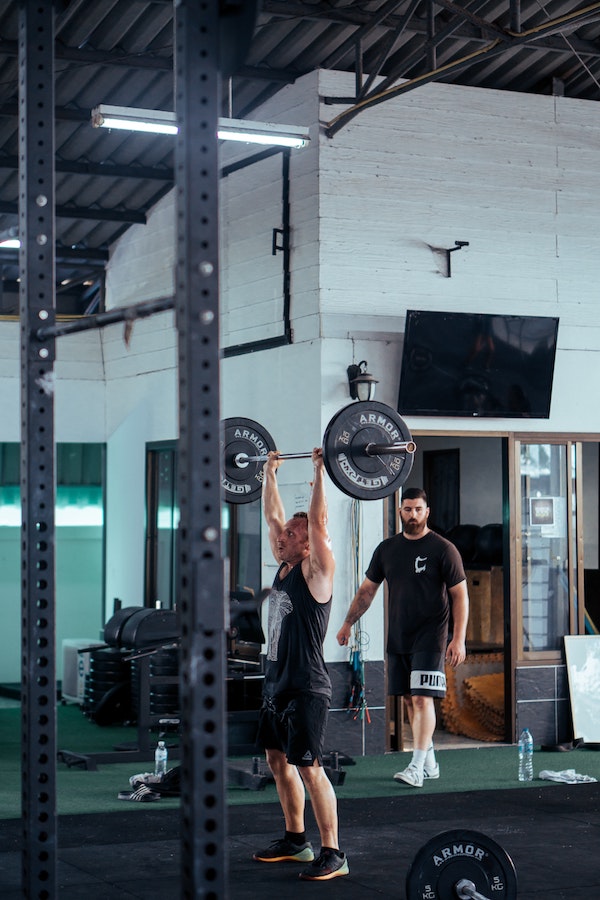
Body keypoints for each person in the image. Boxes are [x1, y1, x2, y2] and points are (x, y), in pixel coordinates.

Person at [253, 447, 349, 881]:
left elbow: (321, 525)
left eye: (292, 535)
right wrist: (268, 474)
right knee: (278, 761)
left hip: (307, 687)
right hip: (276, 685)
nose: (282, 537)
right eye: (284, 534)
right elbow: (272, 517)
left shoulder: (316, 573)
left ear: (308, 543)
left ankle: (334, 853)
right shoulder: (284, 566)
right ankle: (296, 841)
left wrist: (318, 471)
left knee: (311, 768)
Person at [336, 487, 468, 788]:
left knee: (422, 698)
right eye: (407, 509)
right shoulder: (387, 549)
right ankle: (431, 762)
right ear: (400, 511)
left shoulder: (443, 549)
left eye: (418, 509)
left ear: (427, 511)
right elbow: (367, 591)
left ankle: (417, 766)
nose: (413, 515)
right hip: (399, 634)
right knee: (410, 699)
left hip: (432, 635)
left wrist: (457, 638)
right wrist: (347, 624)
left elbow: (460, 595)